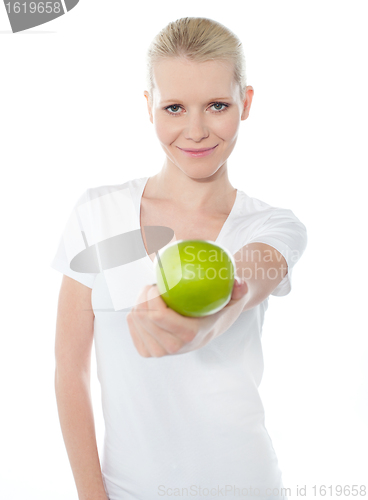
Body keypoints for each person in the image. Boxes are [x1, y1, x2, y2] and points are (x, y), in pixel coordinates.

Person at [51, 17, 307, 500]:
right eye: (173, 107)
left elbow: (250, 277)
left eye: (217, 105)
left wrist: (207, 323)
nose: (195, 130)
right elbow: (70, 368)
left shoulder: (274, 225)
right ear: (148, 107)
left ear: (245, 103)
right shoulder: (97, 213)